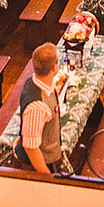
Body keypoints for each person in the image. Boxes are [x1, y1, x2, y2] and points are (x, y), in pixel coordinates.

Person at [14, 42, 68, 174]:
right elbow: (31, 147)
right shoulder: (37, 107)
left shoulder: (36, 80)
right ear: (54, 68)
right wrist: (47, 176)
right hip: (37, 166)